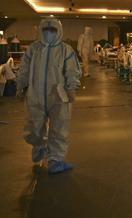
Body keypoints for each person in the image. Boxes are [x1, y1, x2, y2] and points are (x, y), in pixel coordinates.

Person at [16, 18, 81, 174]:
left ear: (59, 31)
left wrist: (71, 89)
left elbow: (72, 71)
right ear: (40, 30)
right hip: (35, 94)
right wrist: (21, 86)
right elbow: (24, 69)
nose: (49, 32)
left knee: (59, 128)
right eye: (46, 29)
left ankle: (55, 160)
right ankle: (39, 146)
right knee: (34, 127)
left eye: (53, 30)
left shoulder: (66, 50)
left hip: (59, 95)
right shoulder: (33, 49)